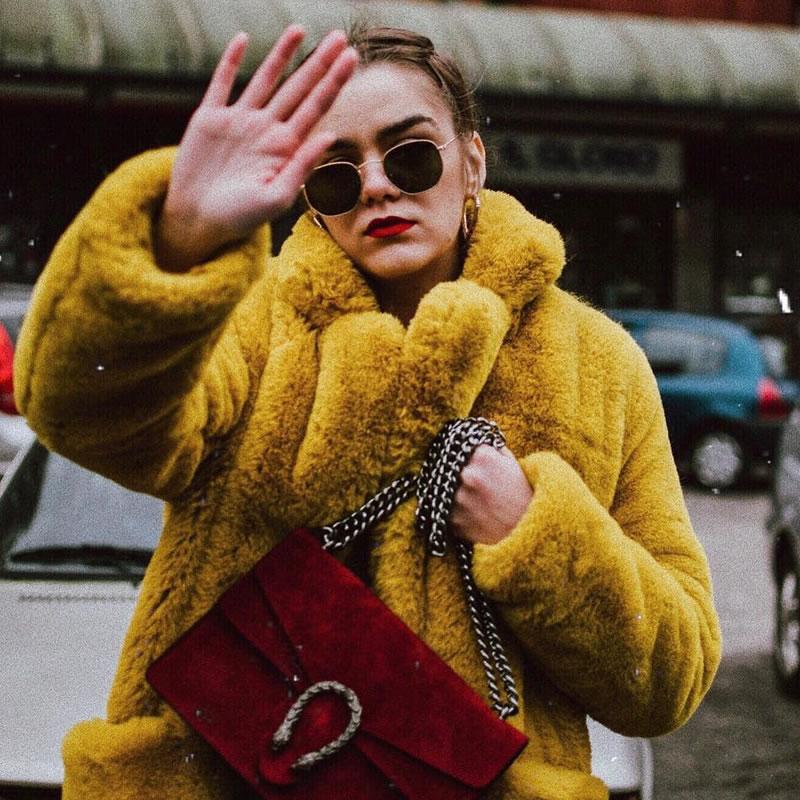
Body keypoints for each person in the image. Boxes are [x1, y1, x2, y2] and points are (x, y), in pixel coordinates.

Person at [13, 22, 721, 800]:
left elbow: (669, 680)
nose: (378, 186)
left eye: (410, 155)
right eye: (335, 173)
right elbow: (80, 413)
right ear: (311, 202)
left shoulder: (599, 364)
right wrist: (180, 236)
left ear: (473, 162)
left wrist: (534, 532)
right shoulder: (249, 327)